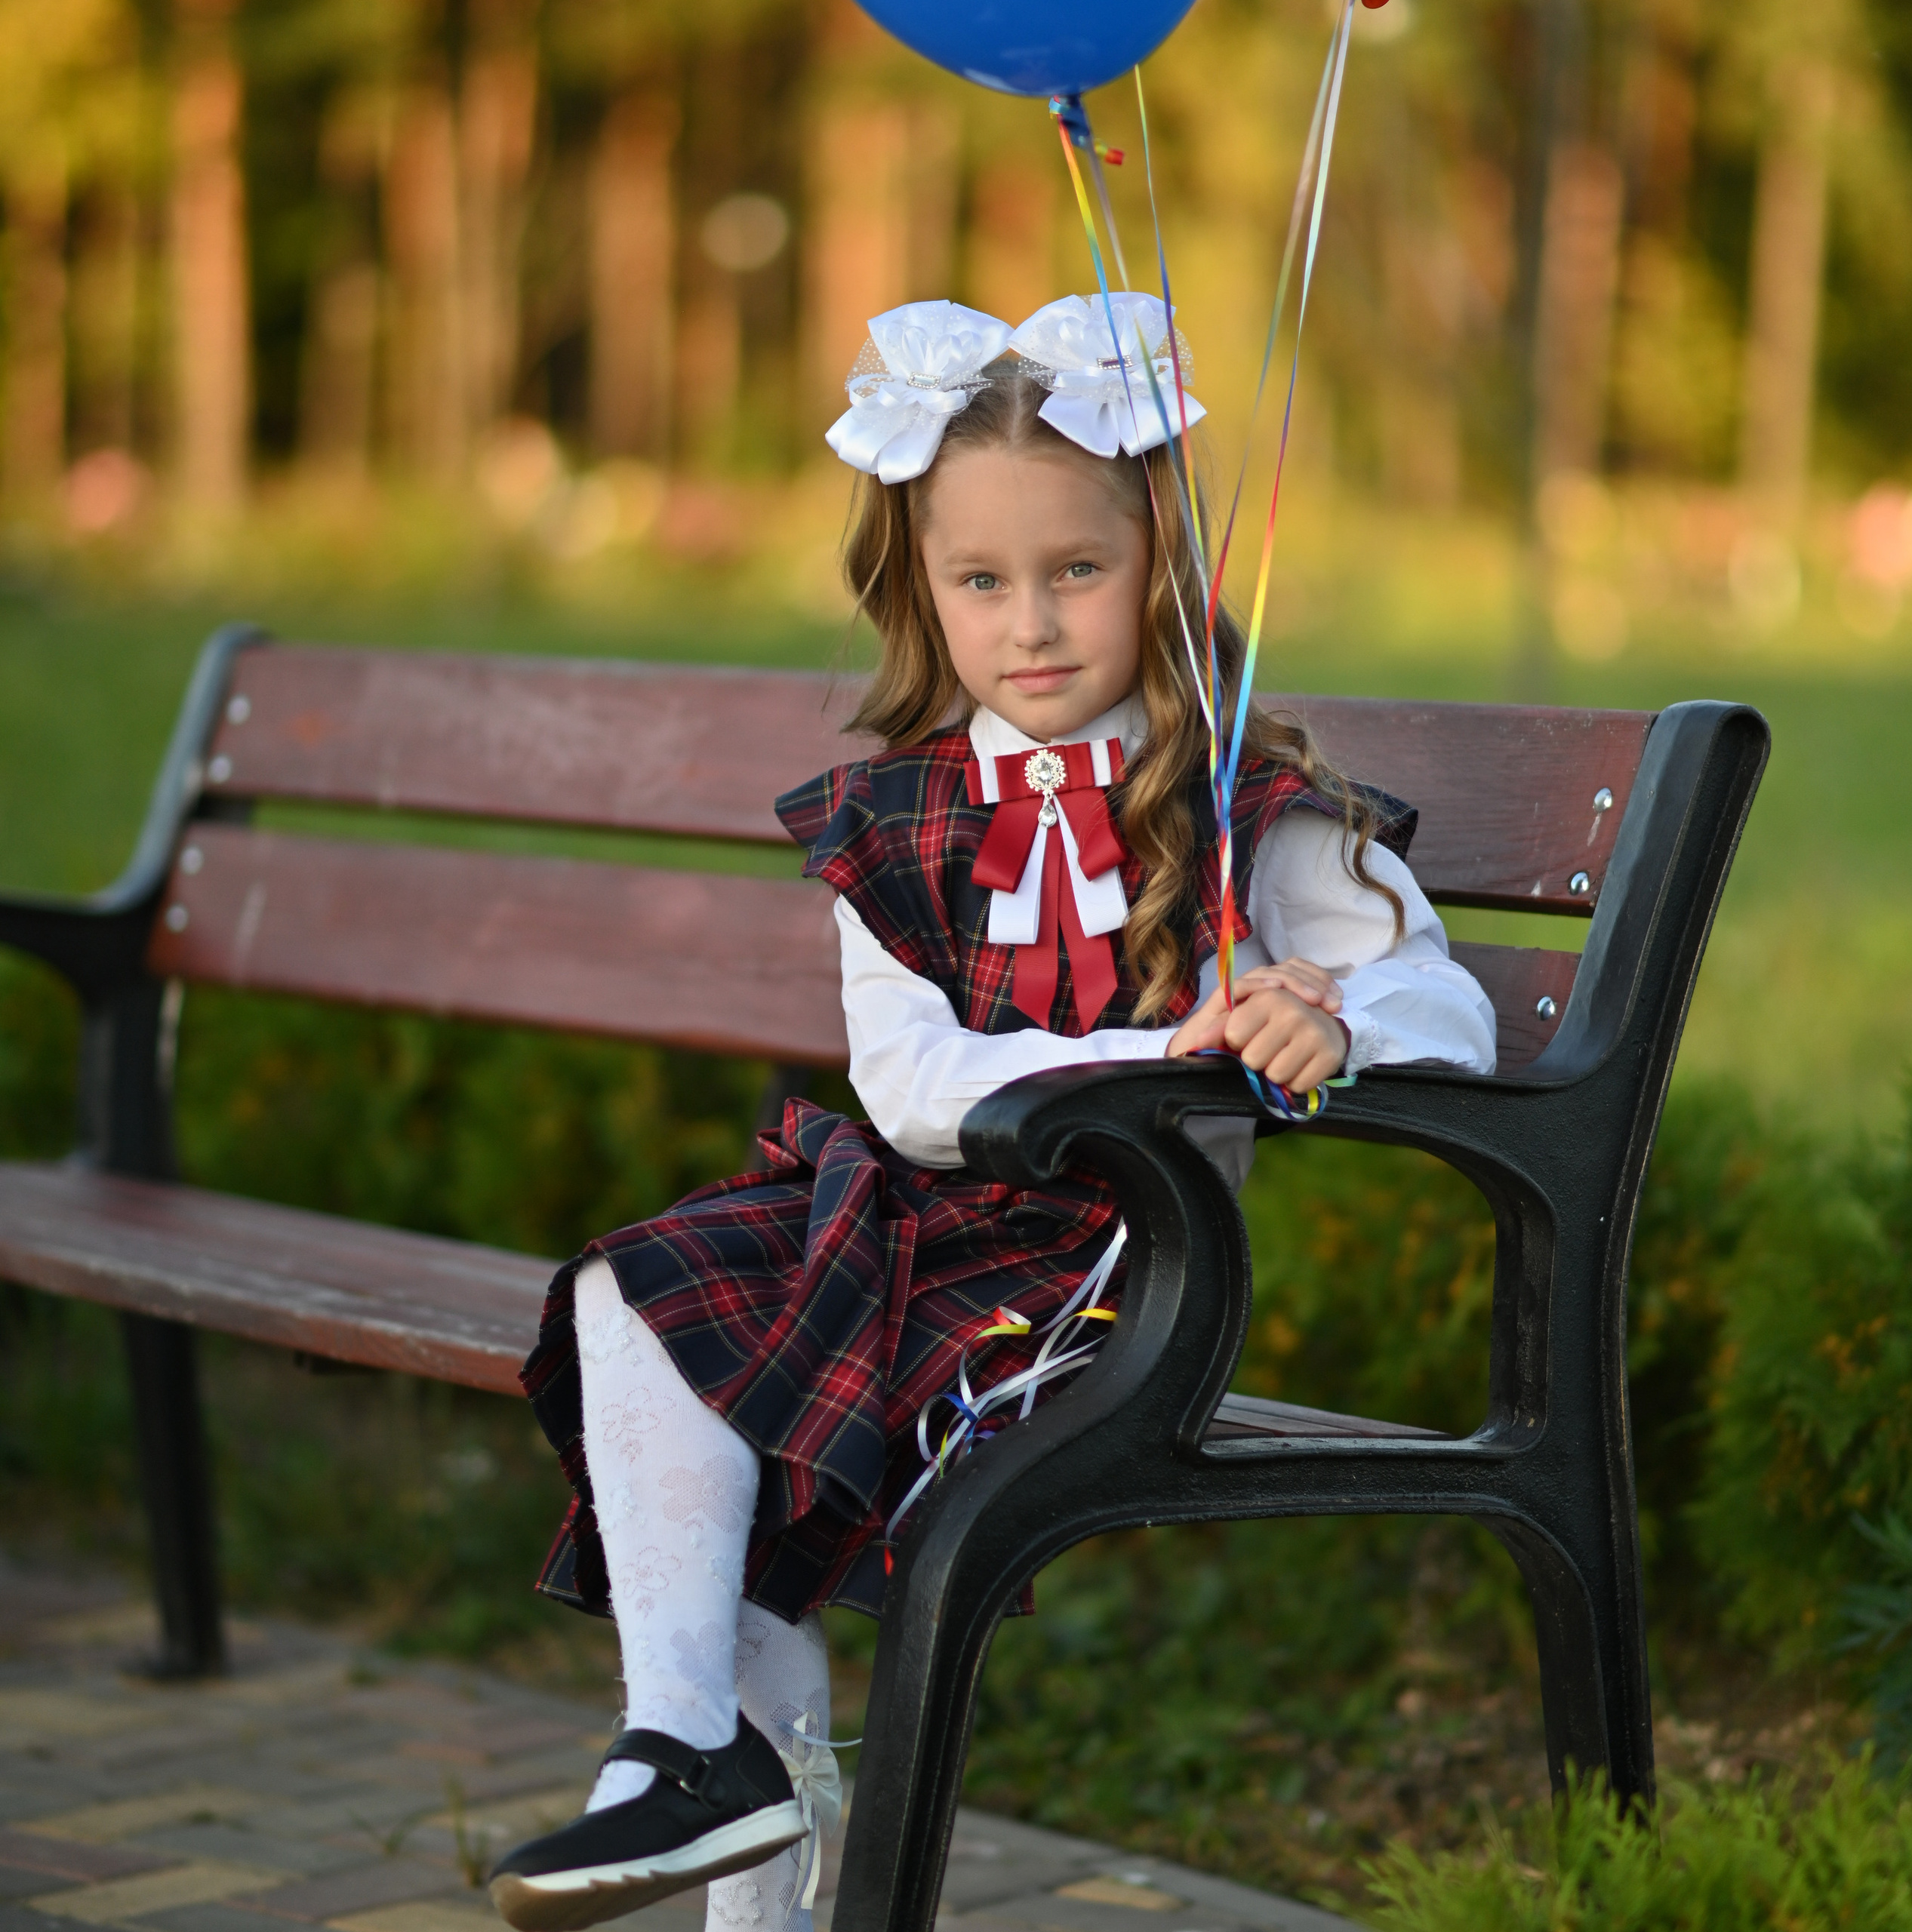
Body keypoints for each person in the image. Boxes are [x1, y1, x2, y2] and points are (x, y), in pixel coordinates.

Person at [488, 295, 1497, 1932]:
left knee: (753, 1392)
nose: (1031, 623)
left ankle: (710, 1792)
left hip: (1120, 1274)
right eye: (981, 580)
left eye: (1077, 570)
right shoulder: (896, 820)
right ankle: (681, 1742)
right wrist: (1144, 1050)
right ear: (921, 591)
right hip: (912, 1215)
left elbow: (1440, 999)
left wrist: (1325, 1011)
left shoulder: (1236, 801)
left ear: (1157, 569)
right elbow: (907, 1081)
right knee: (645, 1291)